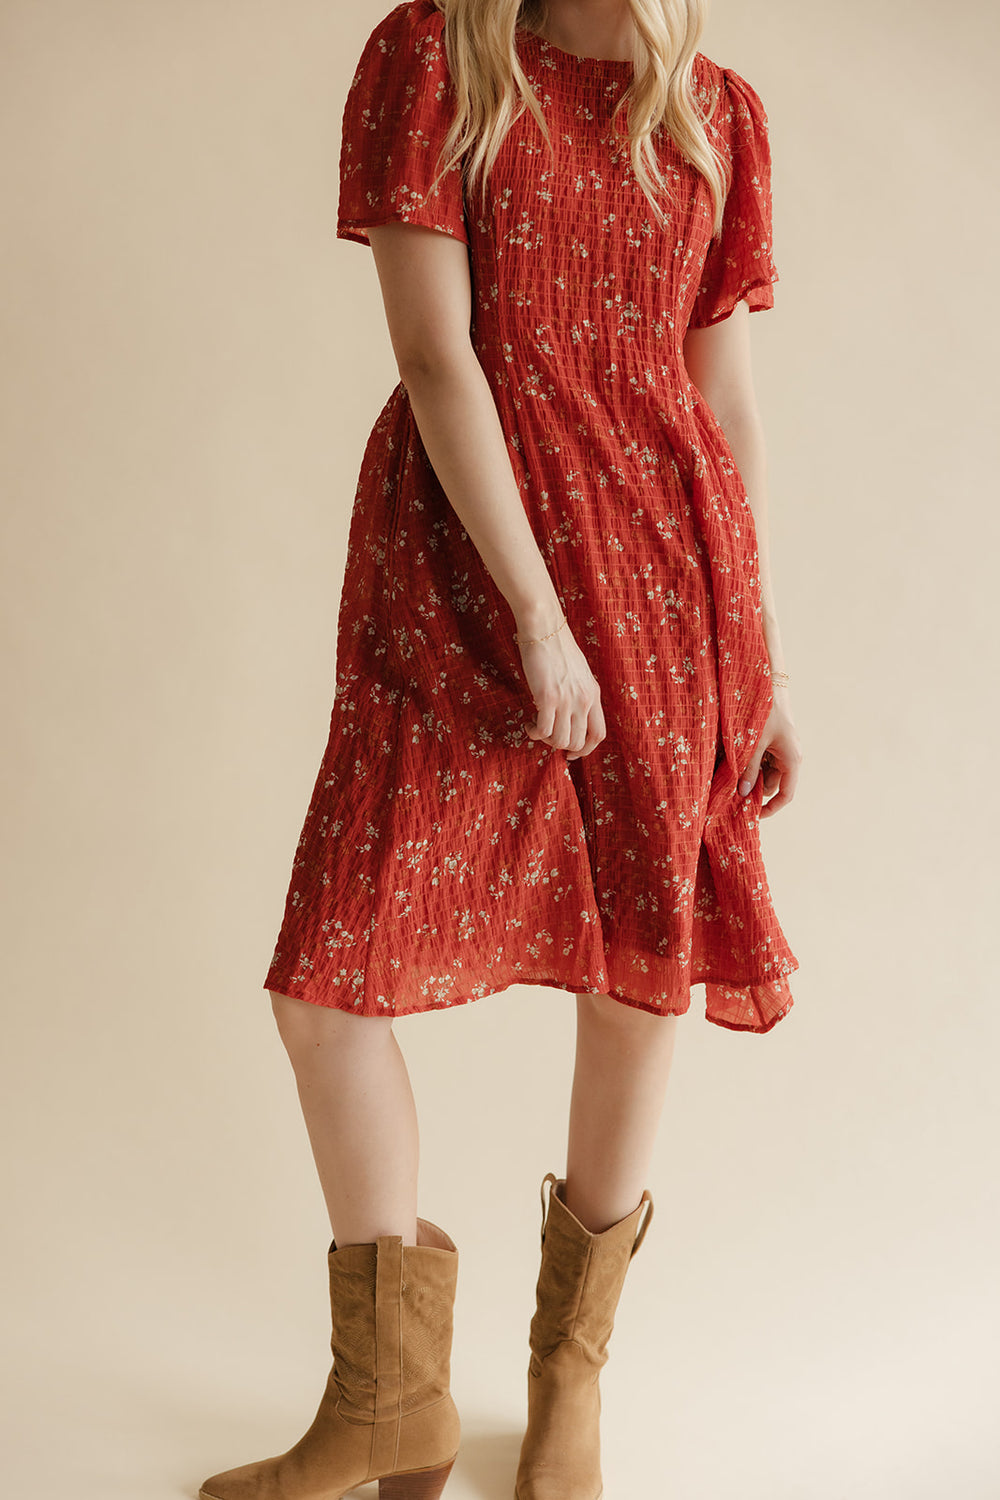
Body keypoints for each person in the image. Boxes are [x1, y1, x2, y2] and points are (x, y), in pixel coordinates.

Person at [198, 1, 803, 1497]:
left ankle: (566, 1392)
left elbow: (722, 398)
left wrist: (761, 653)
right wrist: (536, 611)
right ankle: (390, 1396)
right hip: (464, 573)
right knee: (329, 985)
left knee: (638, 975)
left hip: (669, 569)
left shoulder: (717, 111)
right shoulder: (435, 54)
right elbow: (433, 347)